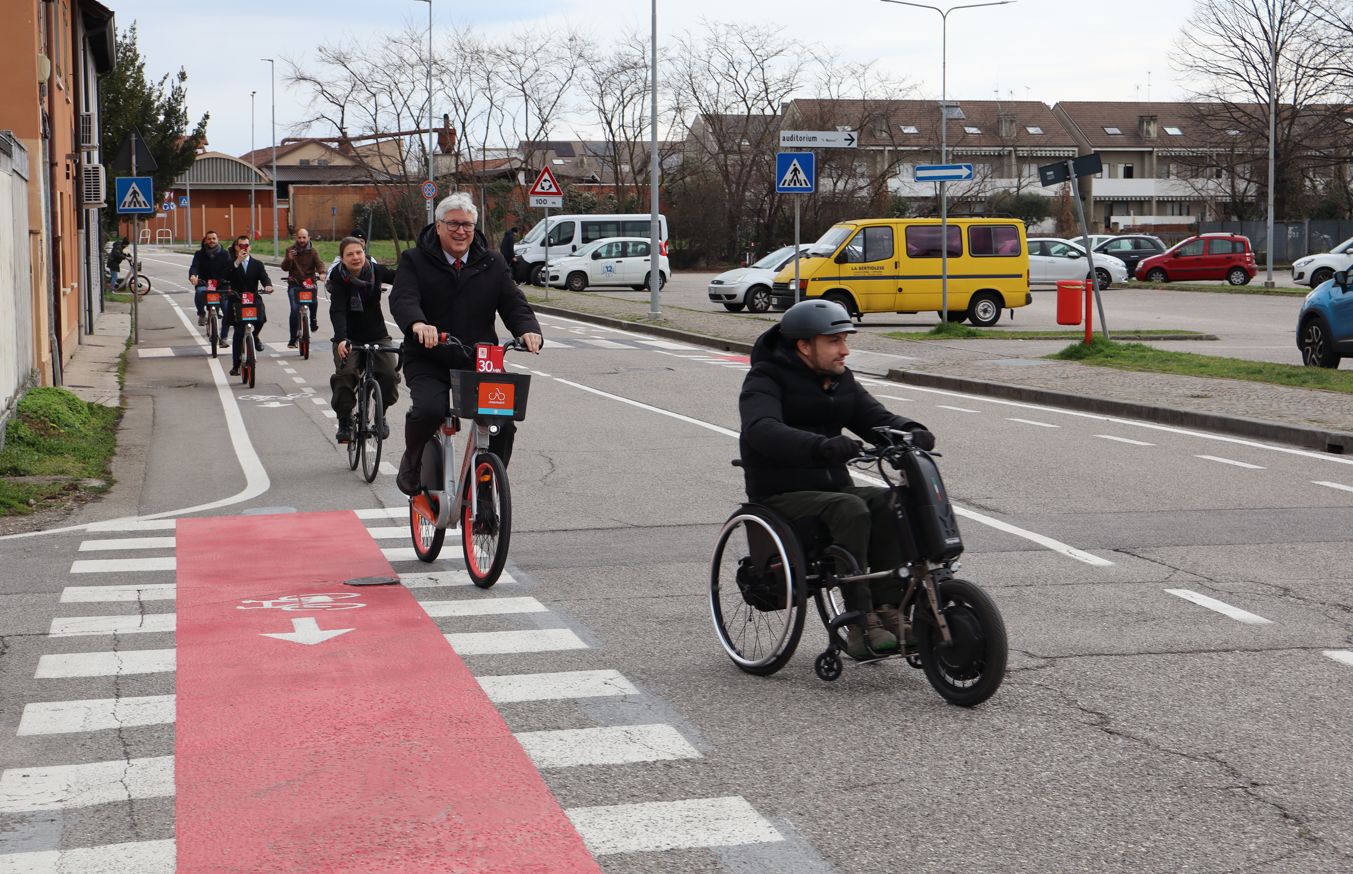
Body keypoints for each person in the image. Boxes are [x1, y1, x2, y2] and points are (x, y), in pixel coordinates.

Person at [738, 299, 936, 659]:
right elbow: (761, 429)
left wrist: (910, 431)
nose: (845, 349)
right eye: (834, 341)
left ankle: (888, 609)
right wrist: (820, 446)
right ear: (804, 345)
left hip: (832, 489)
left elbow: (874, 417)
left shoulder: (840, 380)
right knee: (851, 508)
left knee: (893, 501)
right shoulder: (765, 377)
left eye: (845, 339)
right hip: (782, 493)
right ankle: (860, 622)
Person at [389, 192, 542, 496]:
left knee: (502, 424)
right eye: (454, 224)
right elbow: (404, 297)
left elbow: (513, 303)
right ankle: (412, 459)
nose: (461, 232)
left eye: (468, 225)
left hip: (478, 358)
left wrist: (528, 330)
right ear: (438, 225)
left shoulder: (493, 262)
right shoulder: (415, 259)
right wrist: (418, 324)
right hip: (428, 356)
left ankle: (485, 490)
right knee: (430, 410)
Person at [329, 236, 400, 443]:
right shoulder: (338, 277)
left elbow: (400, 277)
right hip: (349, 337)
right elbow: (338, 310)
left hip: (377, 335)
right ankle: (344, 420)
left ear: (364, 252)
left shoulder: (376, 271)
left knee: (389, 373)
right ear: (342, 258)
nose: (355, 257)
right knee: (346, 374)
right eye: (349, 254)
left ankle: (381, 413)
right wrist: (341, 339)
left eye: (358, 252)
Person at [224, 235, 274, 375]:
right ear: (236, 247)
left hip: (253, 298)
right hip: (237, 299)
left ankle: (256, 336)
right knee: (239, 332)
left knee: (261, 318)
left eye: (246, 245)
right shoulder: (231, 263)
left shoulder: (257, 264)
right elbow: (225, 276)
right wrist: (238, 261)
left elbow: (264, 276)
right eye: (240, 245)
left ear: (250, 247)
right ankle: (236, 365)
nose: (243, 248)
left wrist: (267, 285)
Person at [281, 228, 325, 348]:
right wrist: (288, 259)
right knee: (295, 310)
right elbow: (284, 268)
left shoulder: (313, 251)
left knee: (314, 298)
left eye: (304, 237)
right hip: (294, 284)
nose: (301, 240)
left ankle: (313, 319)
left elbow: (319, 263)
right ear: (296, 238)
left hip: (309, 282)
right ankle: (293, 338)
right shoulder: (290, 250)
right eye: (299, 237)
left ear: (308, 238)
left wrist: (322, 273)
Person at [188, 231, 231, 327]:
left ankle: (224, 334)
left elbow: (229, 267)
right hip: (205, 283)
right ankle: (202, 314)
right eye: (209, 239)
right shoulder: (200, 253)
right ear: (206, 240)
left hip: (220, 284)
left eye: (214, 238)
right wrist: (193, 275)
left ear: (217, 240)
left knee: (226, 309)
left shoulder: (225, 254)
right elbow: (194, 266)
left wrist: (229, 278)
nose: (212, 241)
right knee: (200, 292)